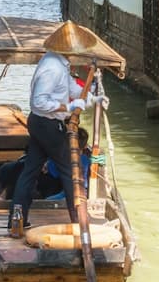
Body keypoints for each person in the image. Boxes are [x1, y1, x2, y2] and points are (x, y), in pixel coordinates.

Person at [10, 22, 95, 236]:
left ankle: (17, 218)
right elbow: (39, 102)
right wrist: (67, 106)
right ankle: (78, 220)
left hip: (43, 123)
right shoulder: (52, 67)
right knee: (69, 170)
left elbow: (71, 88)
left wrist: (89, 94)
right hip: (46, 123)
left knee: (30, 170)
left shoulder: (58, 62)